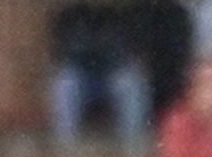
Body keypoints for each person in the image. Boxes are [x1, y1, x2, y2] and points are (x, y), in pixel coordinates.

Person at [48, 1, 155, 149]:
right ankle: (66, 147)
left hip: (114, 74)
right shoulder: (70, 16)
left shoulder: (124, 16)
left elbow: (131, 53)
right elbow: (64, 53)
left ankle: (133, 145)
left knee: (131, 82)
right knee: (65, 83)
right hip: (83, 76)